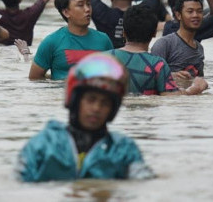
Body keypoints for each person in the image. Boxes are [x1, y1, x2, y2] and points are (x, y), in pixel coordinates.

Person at [17, 53, 154, 182]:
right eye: (90, 99)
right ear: (75, 100)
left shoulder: (123, 150)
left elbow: (144, 181)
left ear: (113, 109)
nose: (96, 108)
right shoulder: (43, 145)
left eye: (105, 103)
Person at [107, 5, 208, 96]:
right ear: (154, 33)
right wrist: (195, 89)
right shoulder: (157, 65)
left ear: (123, 33)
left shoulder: (104, 58)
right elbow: (173, 97)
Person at [28, 0, 113, 80]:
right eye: (80, 5)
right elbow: (35, 78)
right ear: (66, 12)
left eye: (88, 4)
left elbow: (114, 75)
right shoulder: (51, 42)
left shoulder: (104, 40)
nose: (87, 9)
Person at [150, 0, 213, 78]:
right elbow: (150, 75)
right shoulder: (164, 44)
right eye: (190, 11)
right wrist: (172, 76)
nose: (195, 15)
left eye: (199, 11)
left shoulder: (199, 49)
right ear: (178, 15)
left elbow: (198, 80)